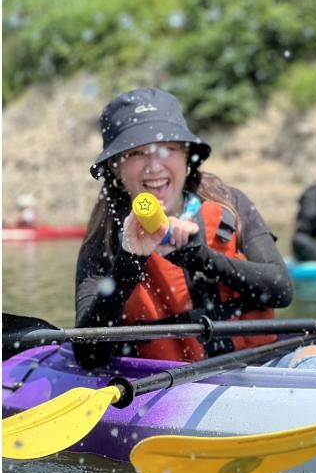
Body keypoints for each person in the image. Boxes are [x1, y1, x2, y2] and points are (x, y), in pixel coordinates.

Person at [73, 87, 293, 370]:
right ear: (115, 169)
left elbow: (281, 291)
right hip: (165, 389)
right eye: (136, 153)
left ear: (187, 157)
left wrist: (198, 257)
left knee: (313, 357)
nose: (153, 166)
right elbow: (89, 356)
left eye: (168, 149)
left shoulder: (232, 204)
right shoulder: (103, 240)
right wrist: (129, 261)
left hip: (260, 368)